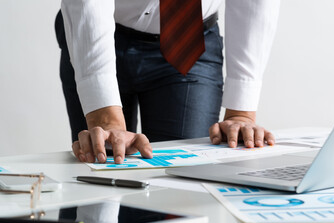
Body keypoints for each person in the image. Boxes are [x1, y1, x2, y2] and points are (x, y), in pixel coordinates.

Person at [56, 0, 280, 164]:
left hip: (188, 40)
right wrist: (105, 118)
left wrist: (240, 113)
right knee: (101, 164)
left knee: (183, 184)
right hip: (97, 32)